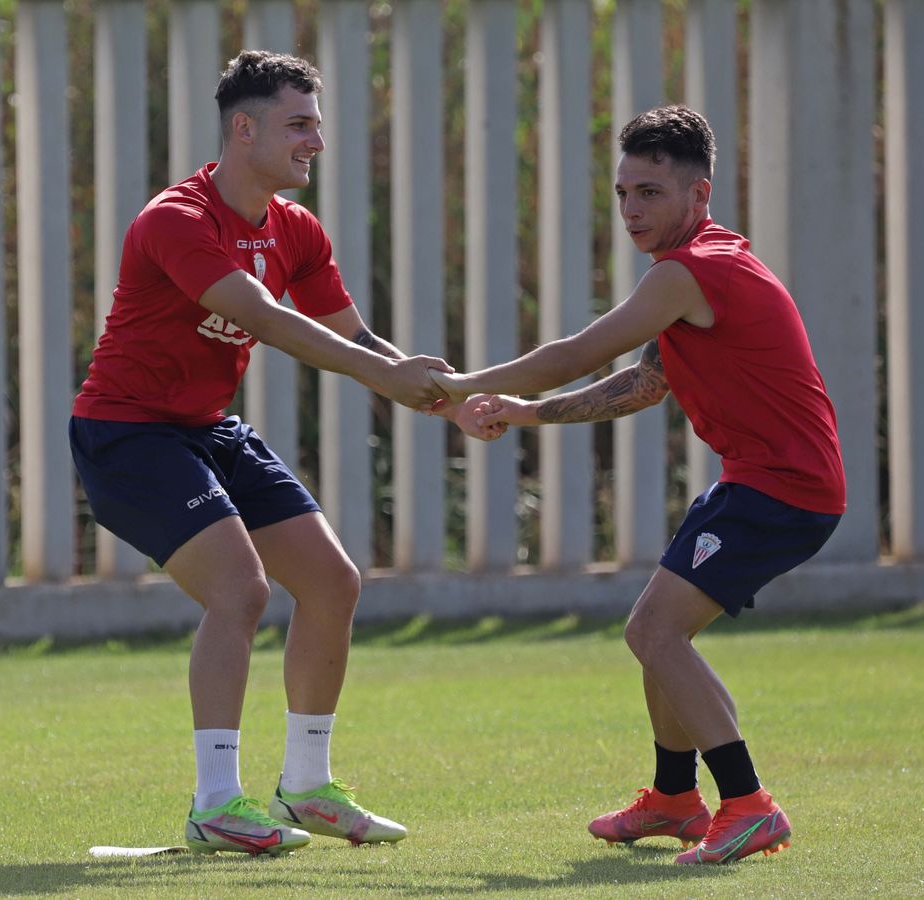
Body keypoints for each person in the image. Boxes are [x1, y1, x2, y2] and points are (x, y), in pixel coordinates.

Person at [70, 50, 470, 856]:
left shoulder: (297, 229)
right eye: (299, 125)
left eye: (317, 125)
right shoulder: (174, 219)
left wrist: (452, 397)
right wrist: (387, 379)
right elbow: (271, 319)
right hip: (127, 435)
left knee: (332, 581)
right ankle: (215, 802)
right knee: (241, 589)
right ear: (242, 129)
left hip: (208, 428)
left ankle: (308, 787)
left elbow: (356, 337)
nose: (315, 141)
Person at [429, 105, 846, 865]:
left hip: (781, 490)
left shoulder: (690, 270)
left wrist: (456, 385)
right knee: (660, 630)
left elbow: (574, 352)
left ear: (699, 195)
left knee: (651, 633)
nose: (631, 210)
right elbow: (646, 384)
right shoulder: (699, 268)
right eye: (622, 192)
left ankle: (748, 804)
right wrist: (524, 412)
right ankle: (675, 800)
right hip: (762, 484)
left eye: (650, 192)